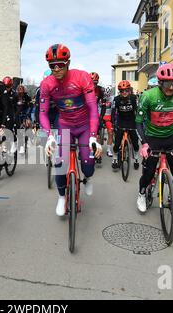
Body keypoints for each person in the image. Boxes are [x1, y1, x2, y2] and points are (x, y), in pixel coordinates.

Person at [41, 44, 102, 216]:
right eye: (52, 66)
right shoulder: (47, 84)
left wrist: (93, 136)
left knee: (88, 165)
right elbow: (43, 113)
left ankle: (88, 177)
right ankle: (61, 197)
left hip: (84, 126)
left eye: (60, 64)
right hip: (65, 125)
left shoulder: (82, 77)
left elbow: (92, 108)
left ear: (68, 62)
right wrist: (49, 136)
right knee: (59, 162)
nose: (57, 69)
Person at [136, 63, 173, 221]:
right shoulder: (148, 96)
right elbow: (138, 122)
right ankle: (141, 194)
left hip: (171, 138)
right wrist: (144, 143)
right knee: (148, 172)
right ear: (160, 82)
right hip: (152, 138)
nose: (171, 87)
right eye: (167, 83)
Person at [111, 80, 140, 170]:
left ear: (129, 90)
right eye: (122, 91)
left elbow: (138, 110)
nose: (124, 93)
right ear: (119, 91)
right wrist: (113, 123)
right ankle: (115, 158)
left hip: (131, 121)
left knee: (135, 142)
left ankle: (136, 157)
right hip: (121, 121)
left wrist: (139, 121)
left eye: (126, 90)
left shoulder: (133, 98)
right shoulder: (116, 99)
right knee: (117, 143)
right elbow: (113, 112)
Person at [14, 84, 33, 154]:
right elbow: (13, 106)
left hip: (26, 113)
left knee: (28, 125)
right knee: (19, 130)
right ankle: (21, 145)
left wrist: (28, 114)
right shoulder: (15, 97)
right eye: (19, 90)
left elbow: (31, 106)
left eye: (22, 90)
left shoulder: (27, 97)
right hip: (17, 115)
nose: (21, 92)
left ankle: (28, 139)